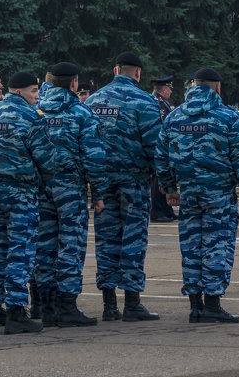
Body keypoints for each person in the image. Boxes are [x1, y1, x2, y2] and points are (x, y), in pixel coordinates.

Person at [155, 67, 239, 323]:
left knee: (191, 247)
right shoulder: (228, 118)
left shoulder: (174, 116)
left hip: (189, 193)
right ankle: (212, 305)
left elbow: (161, 155)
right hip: (219, 194)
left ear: (193, 86)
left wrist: (170, 188)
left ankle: (195, 305)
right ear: (217, 88)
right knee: (217, 246)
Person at [0, 71, 63, 334]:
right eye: (34, 91)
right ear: (18, 92)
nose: (38, 96)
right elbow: (48, 160)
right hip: (21, 193)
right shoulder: (29, 117)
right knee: (21, 252)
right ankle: (15, 312)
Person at [85, 51, 163, 321]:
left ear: (115, 70)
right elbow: (155, 145)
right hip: (134, 182)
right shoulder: (144, 101)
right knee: (133, 239)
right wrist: (165, 180)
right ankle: (131, 302)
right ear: (138, 73)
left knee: (105, 240)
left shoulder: (93, 100)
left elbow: (88, 144)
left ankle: (109, 305)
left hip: (103, 183)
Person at [35, 62, 108, 326]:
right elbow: (94, 157)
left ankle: (46, 306)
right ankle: (67, 306)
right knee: (71, 246)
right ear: (74, 83)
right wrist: (98, 193)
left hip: (41, 189)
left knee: (43, 246)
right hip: (70, 190)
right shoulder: (81, 113)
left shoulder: (36, 111)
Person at [149, 76, 179, 223]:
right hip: (158, 147)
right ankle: (155, 212)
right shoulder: (157, 103)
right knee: (156, 183)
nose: (171, 92)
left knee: (164, 180)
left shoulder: (163, 102)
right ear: (165, 89)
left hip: (164, 147)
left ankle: (166, 210)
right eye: (170, 89)